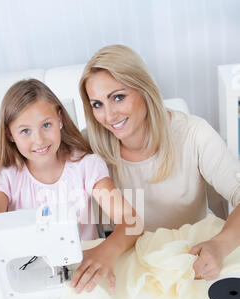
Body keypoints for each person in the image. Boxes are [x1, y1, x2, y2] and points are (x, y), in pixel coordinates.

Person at [0, 78, 142, 292]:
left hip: (83, 276)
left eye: (46, 125)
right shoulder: (5, 180)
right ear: (10, 134)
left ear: (60, 119)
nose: (39, 140)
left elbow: (131, 222)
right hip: (29, 280)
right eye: (25, 131)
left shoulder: (87, 167)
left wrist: (105, 251)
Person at [79, 44, 240, 281]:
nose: (109, 115)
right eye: (97, 104)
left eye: (118, 97)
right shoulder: (87, 146)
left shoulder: (194, 133)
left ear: (144, 89)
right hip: (131, 267)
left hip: (191, 260)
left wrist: (221, 245)